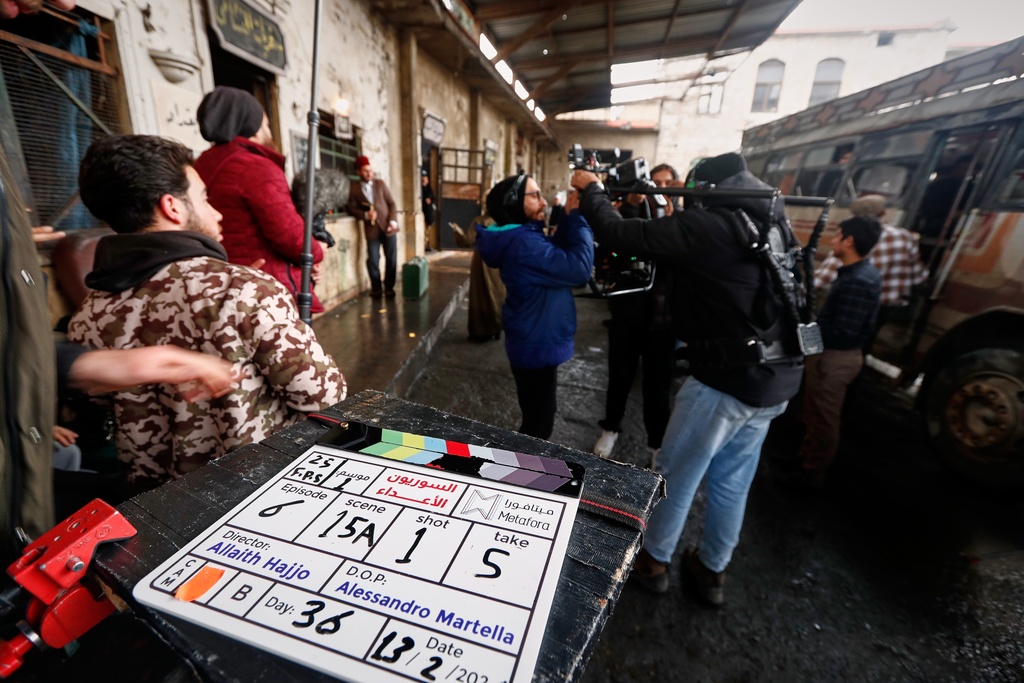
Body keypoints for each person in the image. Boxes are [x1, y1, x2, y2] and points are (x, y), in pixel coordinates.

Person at [572, 152, 805, 605]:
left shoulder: (711, 226)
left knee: (675, 475)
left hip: (726, 380)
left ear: (703, 192)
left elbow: (620, 233)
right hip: (777, 377)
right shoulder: (769, 221)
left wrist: (593, 191)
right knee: (732, 481)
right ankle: (712, 570)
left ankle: (654, 562)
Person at [67, 134, 346, 494]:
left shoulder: (87, 316)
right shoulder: (245, 290)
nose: (215, 212)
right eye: (204, 198)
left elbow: (103, 401)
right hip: (257, 492)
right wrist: (265, 303)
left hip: (157, 506)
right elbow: (325, 396)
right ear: (172, 206)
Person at [476, 174, 594, 440]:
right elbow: (578, 269)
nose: (543, 202)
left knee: (537, 416)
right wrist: (577, 218)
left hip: (533, 338)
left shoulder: (523, 237)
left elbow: (558, 254)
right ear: (515, 202)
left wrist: (565, 217)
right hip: (536, 343)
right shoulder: (524, 243)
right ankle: (521, 476)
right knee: (538, 426)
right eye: (535, 195)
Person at [194, 86, 327, 314]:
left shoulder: (198, 166)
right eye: (265, 124)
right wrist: (317, 250)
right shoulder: (256, 167)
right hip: (267, 292)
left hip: (221, 287)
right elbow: (290, 236)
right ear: (252, 127)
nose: (269, 131)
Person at [784, 215, 882, 489]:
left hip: (836, 359)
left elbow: (843, 333)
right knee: (814, 413)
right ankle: (805, 459)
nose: (833, 241)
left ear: (849, 241)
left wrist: (804, 331)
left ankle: (811, 476)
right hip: (830, 356)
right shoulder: (855, 274)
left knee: (824, 419)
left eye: (838, 236)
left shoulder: (858, 281)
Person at [591, 164, 677, 465]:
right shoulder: (631, 217)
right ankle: (610, 428)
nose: (660, 189)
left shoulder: (683, 223)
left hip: (664, 320)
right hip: (628, 312)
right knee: (619, 376)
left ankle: (657, 444)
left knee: (658, 385)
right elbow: (614, 240)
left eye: (667, 183)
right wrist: (630, 208)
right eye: (655, 183)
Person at [816, 194, 927, 333]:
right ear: (884, 212)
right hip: (888, 304)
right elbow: (918, 276)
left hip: (856, 302)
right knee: (868, 336)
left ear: (855, 215)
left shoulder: (853, 238)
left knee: (845, 335)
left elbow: (822, 279)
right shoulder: (906, 236)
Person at [347, 155, 399, 297]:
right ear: (358, 172)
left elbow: (392, 204)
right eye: (365, 171)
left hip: (388, 229)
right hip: (371, 231)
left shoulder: (380, 184)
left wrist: (393, 222)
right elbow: (351, 209)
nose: (369, 173)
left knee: (391, 259)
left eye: (370, 170)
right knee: (373, 260)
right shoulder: (354, 189)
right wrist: (365, 215)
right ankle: (376, 288)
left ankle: (389, 288)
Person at [450, 215, 505, 341]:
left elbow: (467, 240)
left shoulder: (480, 221)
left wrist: (457, 232)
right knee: (497, 293)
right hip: (498, 259)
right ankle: (496, 328)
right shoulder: (504, 220)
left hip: (482, 261)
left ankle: (481, 331)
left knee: (480, 294)